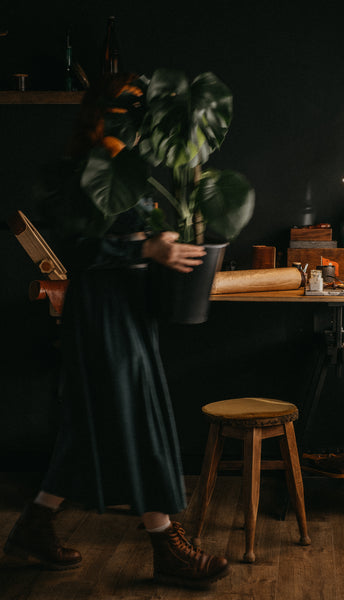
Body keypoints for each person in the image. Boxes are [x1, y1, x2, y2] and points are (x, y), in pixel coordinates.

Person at [3, 74, 229, 589]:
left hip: (128, 310)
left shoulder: (124, 165)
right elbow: (77, 253)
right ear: (101, 111)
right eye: (126, 106)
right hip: (101, 314)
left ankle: (34, 528)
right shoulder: (86, 167)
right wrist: (145, 249)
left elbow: (118, 232)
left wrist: (155, 239)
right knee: (136, 420)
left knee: (92, 429)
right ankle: (166, 545)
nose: (136, 116)